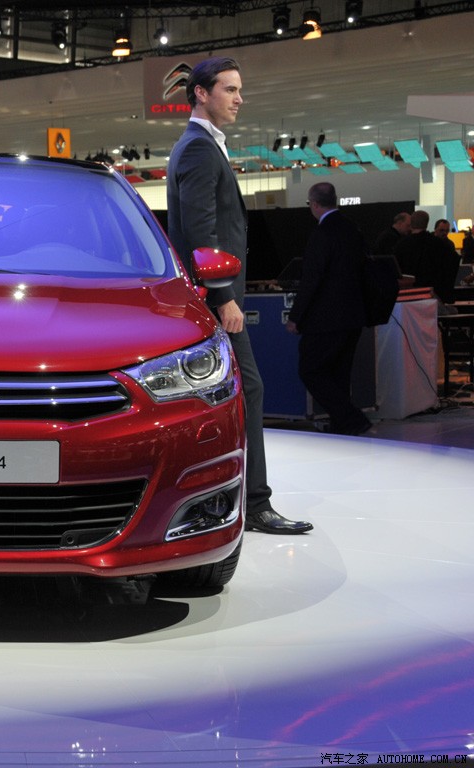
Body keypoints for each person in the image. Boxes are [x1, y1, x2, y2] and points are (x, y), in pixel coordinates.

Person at [166, 56, 312, 535]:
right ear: (202, 93)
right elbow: (200, 231)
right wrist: (223, 295)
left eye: (238, 89)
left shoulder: (201, 146)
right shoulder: (198, 149)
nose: (239, 98)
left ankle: (223, 500)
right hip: (214, 298)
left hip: (210, 295)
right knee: (247, 389)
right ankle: (254, 502)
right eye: (230, 89)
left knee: (223, 396)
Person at [285, 183, 372, 436]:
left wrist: (295, 316)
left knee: (310, 369)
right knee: (340, 372)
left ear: (314, 204)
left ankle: (351, 419)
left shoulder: (321, 234)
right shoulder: (353, 229)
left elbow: (312, 279)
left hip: (325, 318)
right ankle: (342, 425)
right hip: (353, 314)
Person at [394, 210, 462, 309]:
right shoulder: (439, 244)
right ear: (427, 224)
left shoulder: (401, 244)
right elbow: (453, 263)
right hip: (432, 294)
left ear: (411, 224)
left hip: (407, 296)